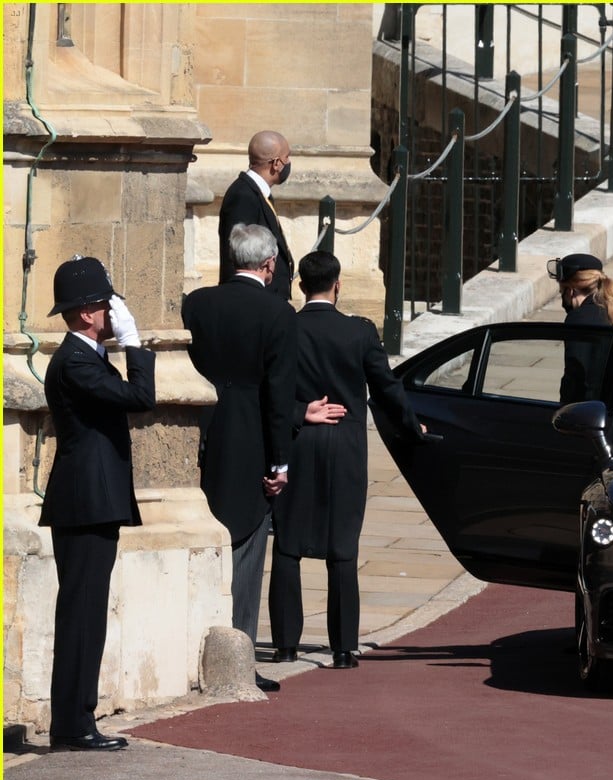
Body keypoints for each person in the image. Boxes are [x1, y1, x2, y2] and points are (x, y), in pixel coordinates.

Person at [269, 251, 424, 670]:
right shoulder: (359, 332)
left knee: (288, 544)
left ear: (301, 286)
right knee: (343, 546)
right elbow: (387, 388)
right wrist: (413, 427)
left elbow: (273, 388)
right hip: (346, 448)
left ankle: (285, 644)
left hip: (299, 441)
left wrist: (301, 409)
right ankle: (342, 649)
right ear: (338, 285)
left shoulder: (287, 329)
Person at [183, 223, 316, 692]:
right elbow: (279, 396)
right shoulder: (277, 313)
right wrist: (279, 463)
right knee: (246, 554)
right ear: (269, 264)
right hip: (252, 442)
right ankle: (236, 660)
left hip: (201, 433)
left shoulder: (197, 303)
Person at [39, 257, 156, 750]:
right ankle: (73, 722)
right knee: (82, 613)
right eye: (108, 305)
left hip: (92, 502)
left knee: (84, 611)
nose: (115, 312)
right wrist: (134, 345)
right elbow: (140, 398)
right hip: (85, 503)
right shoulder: (77, 363)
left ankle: (75, 717)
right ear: (88, 313)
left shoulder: (85, 358)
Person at [550, 253, 613, 409]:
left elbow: (576, 379)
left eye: (562, 293)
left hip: (600, 415)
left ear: (571, 291)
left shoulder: (579, 319)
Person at [218, 130, 295, 299]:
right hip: (254, 300)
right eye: (286, 158)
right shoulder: (243, 195)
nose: (288, 163)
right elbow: (239, 253)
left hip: (269, 298)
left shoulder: (260, 193)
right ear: (276, 163)